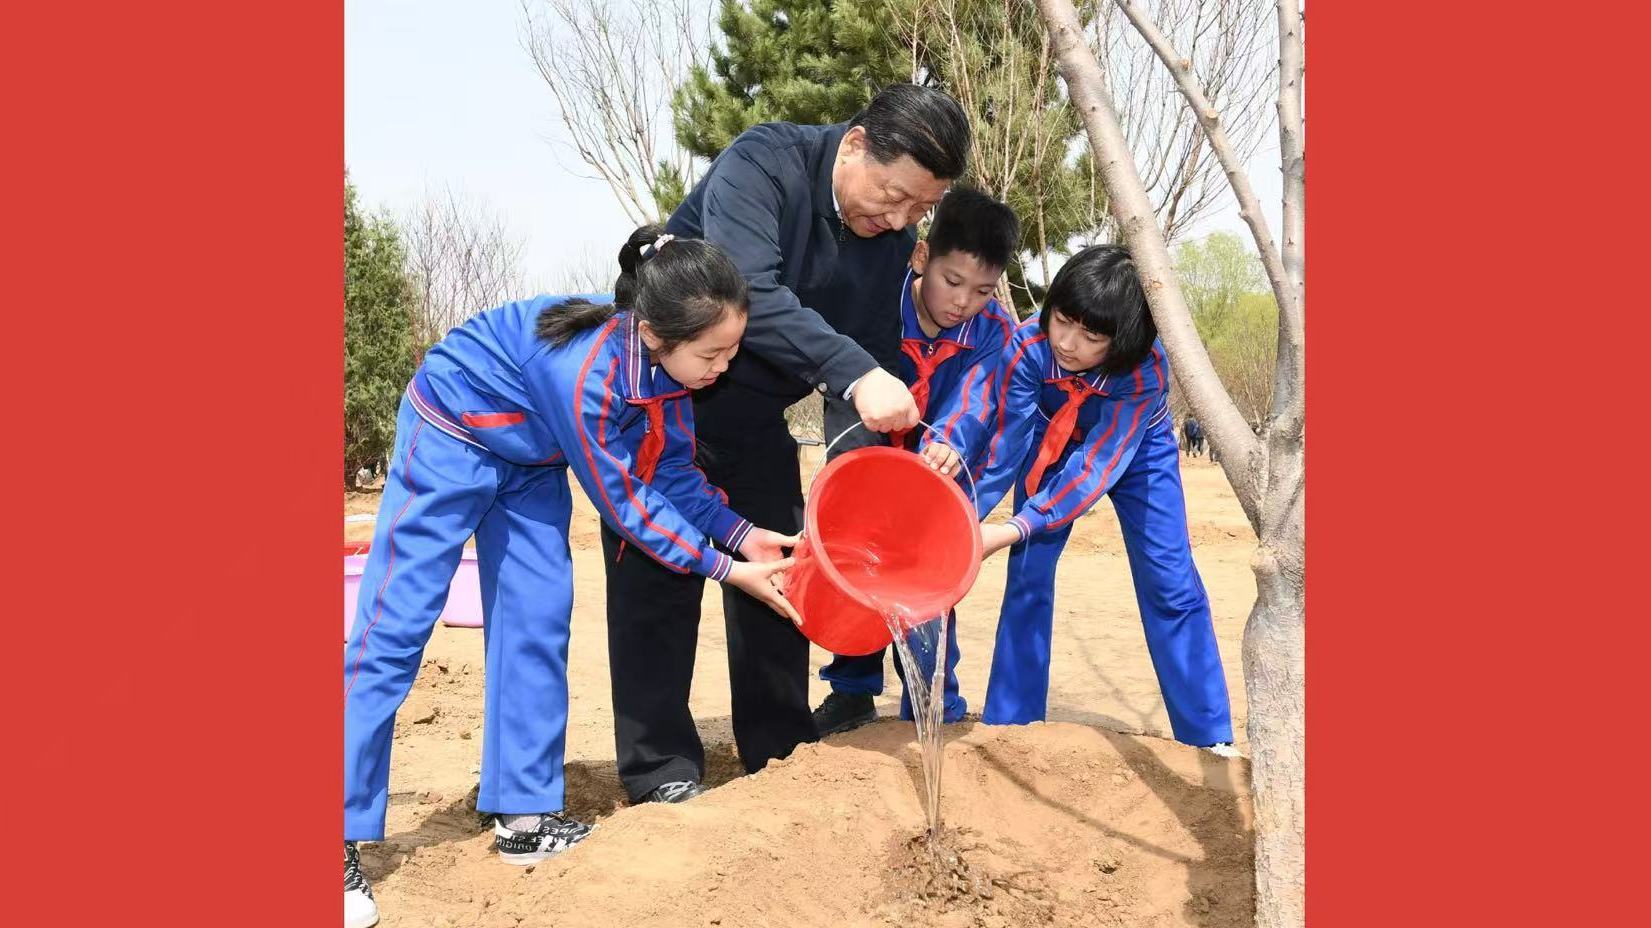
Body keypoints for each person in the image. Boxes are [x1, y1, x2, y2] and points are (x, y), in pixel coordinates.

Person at [342, 227, 800, 928]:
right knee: (393, 628)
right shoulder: (584, 372)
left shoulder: (671, 372)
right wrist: (724, 570)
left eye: (733, 350)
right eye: (712, 354)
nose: (723, 367)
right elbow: (625, 504)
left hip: (530, 459)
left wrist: (743, 534)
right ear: (652, 333)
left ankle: (523, 816)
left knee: (536, 621)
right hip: (452, 431)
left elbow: (671, 470)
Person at [598, 83, 973, 805]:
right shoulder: (763, 164)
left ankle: (777, 751)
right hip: (659, 413)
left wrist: (880, 448)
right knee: (659, 579)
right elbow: (753, 292)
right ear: (857, 144)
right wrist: (858, 375)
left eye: (917, 210)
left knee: (783, 572)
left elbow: (868, 344)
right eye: (892, 194)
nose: (897, 218)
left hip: (752, 420)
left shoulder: (888, 242)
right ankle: (661, 769)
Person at [921, 245, 1234, 750]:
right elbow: (1005, 445)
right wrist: (962, 520)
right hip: (1049, 437)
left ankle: (1207, 737)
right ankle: (1014, 726)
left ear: (1124, 341)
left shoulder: (1145, 371)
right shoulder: (1028, 345)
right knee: (1029, 573)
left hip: (1134, 449)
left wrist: (1016, 525)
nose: (1067, 343)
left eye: (1091, 337)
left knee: (1170, 582)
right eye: (1062, 321)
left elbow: (1095, 470)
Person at [811, 186, 1021, 736]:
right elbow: (845, 379)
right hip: (866, 453)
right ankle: (851, 690)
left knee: (927, 576)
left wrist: (952, 437)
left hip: (935, 471)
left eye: (981, 291)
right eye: (952, 282)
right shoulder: (876, 300)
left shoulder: (993, 330)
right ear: (922, 257)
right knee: (856, 560)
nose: (962, 302)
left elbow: (978, 395)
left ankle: (932, 703)